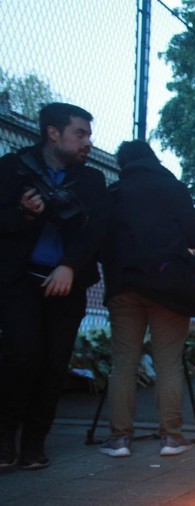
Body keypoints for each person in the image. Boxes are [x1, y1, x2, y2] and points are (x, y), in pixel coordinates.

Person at [0, 102, 109, 470]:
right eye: (80, 133)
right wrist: (23, 214)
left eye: (88, 135)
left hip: (67, 284)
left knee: (53, 363)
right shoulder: (13, 169)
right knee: (20, 356)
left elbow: (96, 231)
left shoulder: (92, 180)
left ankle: (34, 444)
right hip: (20, 282)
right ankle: (4, 440)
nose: (87, 143)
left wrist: (69, 266)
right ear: (53, 132)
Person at [99, 140, 195, 458]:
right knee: (169, 363)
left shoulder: (115, 192)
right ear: (153, 159)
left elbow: (102, 241)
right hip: (168, 287)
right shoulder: (173, 188)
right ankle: (172, 437)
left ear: (123, 163)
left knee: (123, 364)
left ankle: (119, 439)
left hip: (124, 287)